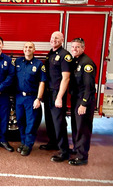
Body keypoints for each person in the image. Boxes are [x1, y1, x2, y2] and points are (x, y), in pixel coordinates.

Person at [40, 31, 72, 163]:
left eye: (57, 38)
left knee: (59, 123)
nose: (54, 40)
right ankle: (53, 142)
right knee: (49, 120)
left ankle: (64, 151)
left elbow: (66, 78)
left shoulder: (65, 55)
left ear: (62, 40)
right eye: (52, 37)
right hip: (49, 93)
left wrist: (59, 97)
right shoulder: (51, 53)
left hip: (57, 94)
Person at [14, 41, 46, 157]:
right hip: (19, 97)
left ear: (34, 50)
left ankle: (28, 145)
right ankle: (23, 142)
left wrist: (38, 98)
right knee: (21, 121)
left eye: (30, 47)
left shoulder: (39, 64)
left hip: (31, 97)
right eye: (26, 47)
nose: (28, 49)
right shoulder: (17, 62)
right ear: (23, 49)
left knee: (30, 123)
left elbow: (42, 82)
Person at [69, 38, 97, 166]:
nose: (74, 49)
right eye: (73, 46)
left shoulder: (87, 64)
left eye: (77, 47)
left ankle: (82, 157)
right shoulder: (76, 61)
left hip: (84, 100)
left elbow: (89, 87)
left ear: (83, 48)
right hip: (77, 98)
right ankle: (76, 148)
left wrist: (84, 104)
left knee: (83, 129)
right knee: (75, 126)